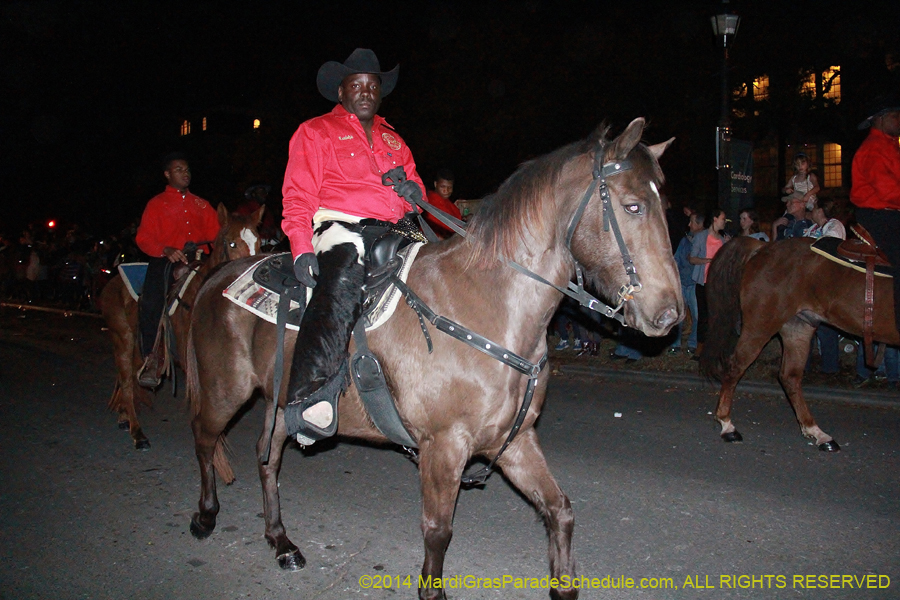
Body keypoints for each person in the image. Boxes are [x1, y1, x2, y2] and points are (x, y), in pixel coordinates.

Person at [281, 48, 427, 439]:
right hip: (339, 225)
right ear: (341, 92)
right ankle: (314, 396)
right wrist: (301, 247)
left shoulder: (395, 140)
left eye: (372, 85)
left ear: (380, 93)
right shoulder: (314, 131)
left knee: (438, 268)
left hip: (395, 227)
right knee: (342, 280)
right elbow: (298, 195)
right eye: (356, 85)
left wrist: (415, 192)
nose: (365, 91)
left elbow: (415, 191)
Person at [135, 153, 220, 387]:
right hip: (167, 261)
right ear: (167, 174)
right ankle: (152, 357)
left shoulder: (202, 204)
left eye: (187, 169)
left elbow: (218, 235)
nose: (186, 173)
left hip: (199, 260)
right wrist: (164, 249)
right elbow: (143, 238)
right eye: (179, 169)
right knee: (152, 301)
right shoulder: (156, 204)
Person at [850, 93, 900, 335]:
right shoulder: (874, 148)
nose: (899, 120)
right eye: (896, 116)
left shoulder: (890, 146)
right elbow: (888, 190)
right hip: (879, 215)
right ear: (880, 119)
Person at [803, 199, 845, 374]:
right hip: (810, 285)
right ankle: (804, 366)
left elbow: (826, 250)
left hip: (827, 285)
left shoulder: (835, 227)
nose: (810, 212)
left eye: (813, 209)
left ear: (820, 211)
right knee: (805, 326)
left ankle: (830, 369)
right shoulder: (814, 229)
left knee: (826, 328)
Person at [690, 208, 729, 357]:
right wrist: (709, 261)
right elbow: (692, 258)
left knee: (716, 315)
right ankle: (701, 346)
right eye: (723, 219)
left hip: (718, 283)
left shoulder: (723, 239)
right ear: (714, 219)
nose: (724, 222)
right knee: (703, 315)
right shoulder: (701, 237)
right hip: (703, 281)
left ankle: (715, 347)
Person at [669, 210, 705, 355]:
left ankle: (692, 343)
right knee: (679, 316)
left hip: (695, 283)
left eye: (692, 221)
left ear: (700, 224)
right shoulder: (685, 240)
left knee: (697, 316)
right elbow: (676, 259)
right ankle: (675, 344)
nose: (689, 224)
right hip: (682, 283)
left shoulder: (705, 240)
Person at [423, 168, 462, 239]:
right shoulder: (431, 201)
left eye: (449, 187)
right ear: (435, 184)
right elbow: (448, 227)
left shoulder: (448, 202)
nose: (446, 190)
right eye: (442, 187)